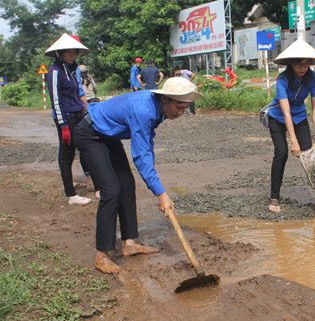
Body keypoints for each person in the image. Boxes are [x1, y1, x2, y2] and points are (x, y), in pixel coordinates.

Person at [71, 78, 203, 274]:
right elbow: (141, 157)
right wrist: (161, 194)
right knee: (111, 191)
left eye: (185, 108)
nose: (180, 113)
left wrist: (156, 184)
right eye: (178, 107)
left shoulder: (157, 109)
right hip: (90, 134)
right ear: (165, 99)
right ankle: (101, 256)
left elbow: (146, 147)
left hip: (108, 135)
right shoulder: (144, 110)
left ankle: (129, 243)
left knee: (126, 185)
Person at [265, 39, 315, 213]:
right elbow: (285, 113)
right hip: (277, 118)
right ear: (290, 63)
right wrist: (293, 141)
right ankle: (274, 197)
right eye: (298, 64)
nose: (302, 68)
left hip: (299, 117)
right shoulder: (283, 79)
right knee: (282, 153)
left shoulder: (313, 78)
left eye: (306, 64)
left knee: (309, 156)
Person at [45, 33, 93, 206]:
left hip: (78, 115)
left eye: (74, 52)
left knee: (86, 148)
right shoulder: (55, 72)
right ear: (60, 53)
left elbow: (78, 94)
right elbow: (56, 100)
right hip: (66, 118)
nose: (72, 55)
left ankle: (93, 183)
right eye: (68, 52)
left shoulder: (73, 72)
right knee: (66, 155)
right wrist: (63, 124)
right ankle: (71, 195)